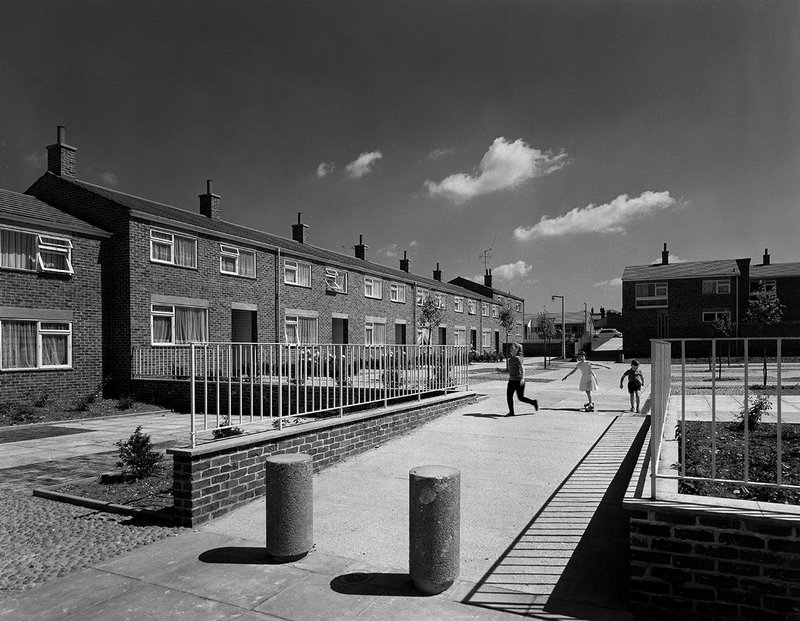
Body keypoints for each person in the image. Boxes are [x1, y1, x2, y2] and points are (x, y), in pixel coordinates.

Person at [506, 342, 538, 416]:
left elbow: (522, 369)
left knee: (521, 398)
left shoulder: (518, 359)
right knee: (509, 396)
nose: (510, 349)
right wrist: (500, 371)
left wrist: (522, 379)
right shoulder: (510, 360)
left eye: (512, 348)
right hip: (511, 380)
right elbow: (509, 370)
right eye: (510, 348)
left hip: (518, 380)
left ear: (517, 349)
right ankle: (511, 412)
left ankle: (533, 402)